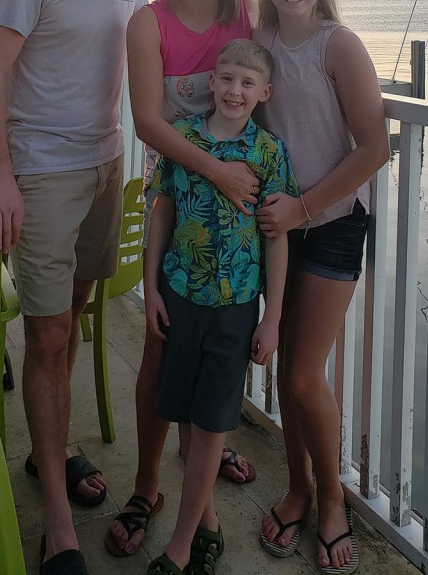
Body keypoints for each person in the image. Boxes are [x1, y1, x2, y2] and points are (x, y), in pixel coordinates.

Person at [0, 0, 146, 575]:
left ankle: (55, 452)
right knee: (45, 336)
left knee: (70, 318)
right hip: (41, 175)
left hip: (106, 166)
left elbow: (154, 68)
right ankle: (58, 525)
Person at [106, 0, 260, 559]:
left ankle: (209, 447)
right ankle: (148, 484)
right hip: (174, 201)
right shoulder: (149, 21)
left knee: (224, 342)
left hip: (240, 216)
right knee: (162, 342)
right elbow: (147, 121)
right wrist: (218, 172)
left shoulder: (246, 11)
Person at [253, 0, 389, 575]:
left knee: (305, 374)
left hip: (329, 223)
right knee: (285, 372)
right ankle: (299, 488)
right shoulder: (262, 46)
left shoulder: (340, 46)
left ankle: (332, 500)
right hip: (278, 227)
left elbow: (373, 148)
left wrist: (304, 208)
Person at [143, 38, 298, 575]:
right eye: (227, 78)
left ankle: (180, 546)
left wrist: (272, 318)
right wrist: (152, 287)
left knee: (211, 424)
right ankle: (207, 522)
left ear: (265, 92)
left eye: (247, 82)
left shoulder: (268, 153)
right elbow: (161, 211)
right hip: (180, 296)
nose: (235, 90)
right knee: (187, 416)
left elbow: (277, 238)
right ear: (212, 81)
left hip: (235, 308)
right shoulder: (183, 139)